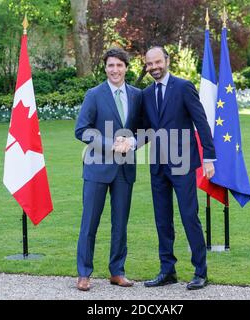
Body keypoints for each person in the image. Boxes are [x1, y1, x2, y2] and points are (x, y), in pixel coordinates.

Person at [141, 46, 216, 290]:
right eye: (149, 64)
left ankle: (200, 272)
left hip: (183, 164)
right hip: (158, 166)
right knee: (162, 220)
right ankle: (167, 271)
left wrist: (209, 158)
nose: (154, 67)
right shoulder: (146, 94)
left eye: (157, 62)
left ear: (167, 60)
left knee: (188, 217)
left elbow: (201, 121)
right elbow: (146, 130)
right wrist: (128, 143)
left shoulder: (183, 87)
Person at [74, 48, 143, 291]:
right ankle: (84, 273)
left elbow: (145, 131)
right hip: (97, 169)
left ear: (126, 68)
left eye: (119, 65)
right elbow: (81, 129)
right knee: (89, 222)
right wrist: (109, 145)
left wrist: (132, 143)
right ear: (105, 68)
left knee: (120, 223)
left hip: (125, 170)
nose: (115, 70)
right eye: (111, 65)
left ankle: (117, 271)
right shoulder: (94, 95)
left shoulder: (137, 95)